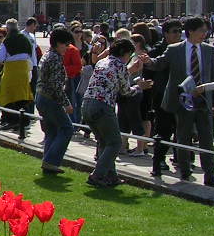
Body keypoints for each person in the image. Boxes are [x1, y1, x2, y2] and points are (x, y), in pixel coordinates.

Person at [146, 15, 214, 185]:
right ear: (191, 31)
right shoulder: (175, 49)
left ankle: (210, 174)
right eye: (201, 31)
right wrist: (148, 61)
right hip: (183, 100)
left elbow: (213, 74)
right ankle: (185, 171)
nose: (204, 34)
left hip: (203, 100)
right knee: (183, 137)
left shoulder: (208, 50)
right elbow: (160, 63)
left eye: (206, 31)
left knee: (206, 138)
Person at [82, 39, 152, 187]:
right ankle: (97, 175)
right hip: (103, 106)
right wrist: (139, 87)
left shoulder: (102, 62)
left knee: (104, 141)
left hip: (87, 104)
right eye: (129, 54)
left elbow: (114, 76)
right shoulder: (120, 65)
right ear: (124, 53)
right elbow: (126, 91)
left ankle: (111, 176)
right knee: (115, 142)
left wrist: (129, 70)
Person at [146, 19, 183, 178]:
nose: (178, 34)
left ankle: (180, 156)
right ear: (166, 33)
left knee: (181, 128)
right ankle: (159, 159)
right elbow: (148, 73)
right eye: (174, 31)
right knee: (163, 129)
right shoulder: (156, 51)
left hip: (181, 94)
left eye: (180, 31)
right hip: (162, 95)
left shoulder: (183, 49)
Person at [36, 27, 76, 174]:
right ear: (58, 43)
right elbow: (55, 85)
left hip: (41, 97)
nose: (67, 47)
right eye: (66, 44)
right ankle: (51, 161)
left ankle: (48, 161)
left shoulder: (48, 55)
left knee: (52, 130)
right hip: (50, 99)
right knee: (67, 128)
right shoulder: (55, 58)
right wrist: (66, 103)